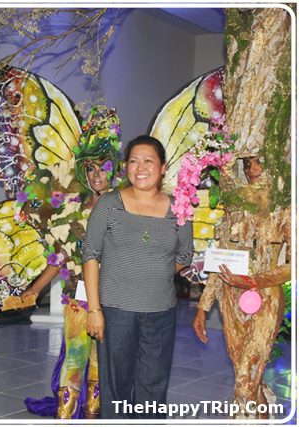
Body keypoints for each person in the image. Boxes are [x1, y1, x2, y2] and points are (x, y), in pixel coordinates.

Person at [83, 135, 193, 418]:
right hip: (115, 311)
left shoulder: (179, 209)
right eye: (133, 161)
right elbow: (90, 255)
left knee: (153, 389)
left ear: (163, 167)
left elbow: (184, 256)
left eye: (148, 161)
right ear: (126, 167)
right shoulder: (109, 204)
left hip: (161, 313)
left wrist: (152, 273)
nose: (140, 168)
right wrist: (94, 310)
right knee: (116, 389)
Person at [22, 106, 122, 419]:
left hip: (114, 299)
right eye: (91, 169)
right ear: (83, 171)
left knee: (101, 361)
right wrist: (34, 290)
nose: (97, 175)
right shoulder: (72, 211)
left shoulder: (127, 209)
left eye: (103, 167)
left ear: (114, 169)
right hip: (78, 300)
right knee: (75, 358)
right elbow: (59, 257)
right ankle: (65, 417)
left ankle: (92, 414)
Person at [192, 156, 290, 419]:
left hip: (266, 300)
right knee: (248, 378)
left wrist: (253, 282)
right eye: (247, 164)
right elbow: (220, 261)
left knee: (245, 379)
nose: (252, 170)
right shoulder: (233, 209)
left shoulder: (285, 209)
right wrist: (203, 307)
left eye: (260, 162)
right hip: (231, 302)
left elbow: (293, 266)